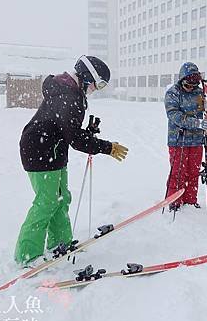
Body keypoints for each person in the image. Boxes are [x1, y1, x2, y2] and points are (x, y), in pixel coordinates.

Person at [15, 56, 129, 266]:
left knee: (61, 198)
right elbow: (75, 138)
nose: (97, 89)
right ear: (87, 77)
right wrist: (107, 147)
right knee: (46, 202)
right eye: (98, 84)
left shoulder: (69, 92)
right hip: (38, 150)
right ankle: (27, 254)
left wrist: (87, 135)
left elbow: (68, 130)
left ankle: (60, 243)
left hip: (54, 151)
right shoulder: (69, 96)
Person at [164, 62, 207, 211]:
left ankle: (190, 200)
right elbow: (174, 115)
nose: (190, 88)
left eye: (193, 86)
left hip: (196, 141)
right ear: (182, 80)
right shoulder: (173, 93)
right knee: (178, 173)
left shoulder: (200, 93)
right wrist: (197, 123)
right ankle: (175, 202)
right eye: (188, 85)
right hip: (178, 140)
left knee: (193, 172)